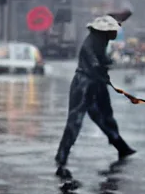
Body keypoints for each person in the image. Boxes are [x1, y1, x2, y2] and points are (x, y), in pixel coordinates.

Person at [55, 15, 135, 178]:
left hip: (97, 84)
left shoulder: (101, 42)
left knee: (106, 117)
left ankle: (121, 147)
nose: (114, 34)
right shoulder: (89, 44)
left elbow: (102, 60)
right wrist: (103, 70)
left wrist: (109, 63)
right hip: (83, 85)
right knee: (75, 121)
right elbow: (94, 64)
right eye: (112, 31)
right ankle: (62, 156)